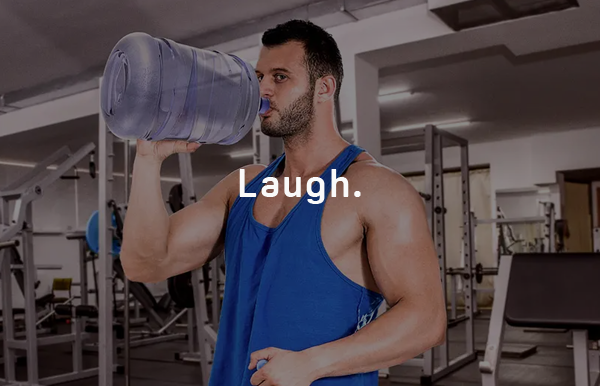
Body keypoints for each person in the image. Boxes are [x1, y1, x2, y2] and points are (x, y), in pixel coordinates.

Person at [121, 19, 446, 386]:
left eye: (279, 77)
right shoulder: (244, 185)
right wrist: (148, 160)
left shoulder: (375, 189)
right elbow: (144, 263)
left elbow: (426, 320)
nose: (262, 90)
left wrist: (312, 364)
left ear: (324, 88)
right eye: (259, 77)